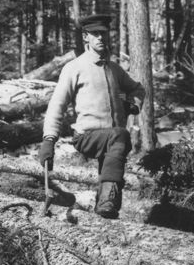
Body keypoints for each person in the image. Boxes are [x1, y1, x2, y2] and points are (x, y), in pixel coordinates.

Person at [39, 13, 145, 219]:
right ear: (85, 36)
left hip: (112, 140)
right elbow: (56, 105)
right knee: (120, 136)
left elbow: (138, 89)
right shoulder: (74, 68)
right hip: (87, 136)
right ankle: (108, 202)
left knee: (112, 157)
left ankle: (104, 214)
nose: (100, 38)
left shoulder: (114, 69)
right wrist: (49, 140)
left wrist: (132, 104)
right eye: (95, 34)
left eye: (103, 34)